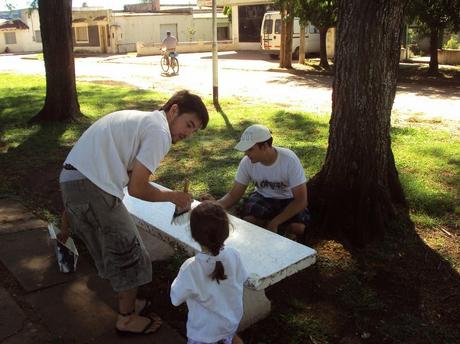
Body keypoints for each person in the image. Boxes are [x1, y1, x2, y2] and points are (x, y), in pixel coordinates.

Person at [59, 90, 209, 336]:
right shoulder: (159, 131)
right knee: (132, 255)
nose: (187, 134)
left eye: (194, 131)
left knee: (115, 250)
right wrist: (174, 197)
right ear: (173, 111)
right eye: (188, 124)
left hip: (72, 183)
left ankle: (129, 301)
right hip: (92, 188)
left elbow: (129, 176)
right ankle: (126, 319)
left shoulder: (143, 120)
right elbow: (137, 188)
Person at [170, 201, 247, 344]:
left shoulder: (191, 268)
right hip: (230, 325)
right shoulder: (234, 255)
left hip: (204, 334)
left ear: (193, 236)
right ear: (227, 230)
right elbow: (242, 279)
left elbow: (175, 298)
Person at [216, 124, 310, 240]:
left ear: (265, 146)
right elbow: (234, 195)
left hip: (288, 200)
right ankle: (273, 228)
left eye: (250, 149)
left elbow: (301, 201)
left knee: (298, 228)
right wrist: (215, 205)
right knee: (249, 221)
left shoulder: (289, 160)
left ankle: (276, 227)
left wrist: (275, 222)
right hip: (263, 197)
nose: (246, 153)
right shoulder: (247, 162)